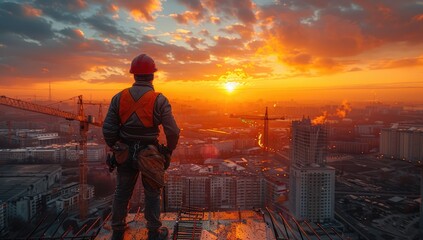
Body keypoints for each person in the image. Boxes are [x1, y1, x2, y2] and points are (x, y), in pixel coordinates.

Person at [102, 53, 180, 240]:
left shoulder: (119, 98)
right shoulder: (159, 100)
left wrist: (116, 147)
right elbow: (173, 131)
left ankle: (118, 228)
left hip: (125, 152)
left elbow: (108, 128)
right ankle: (154, 231)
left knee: (122, 192)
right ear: (153, 75)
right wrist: (168, 150)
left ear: (134, 75)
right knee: (152, 193)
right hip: (149, 153)